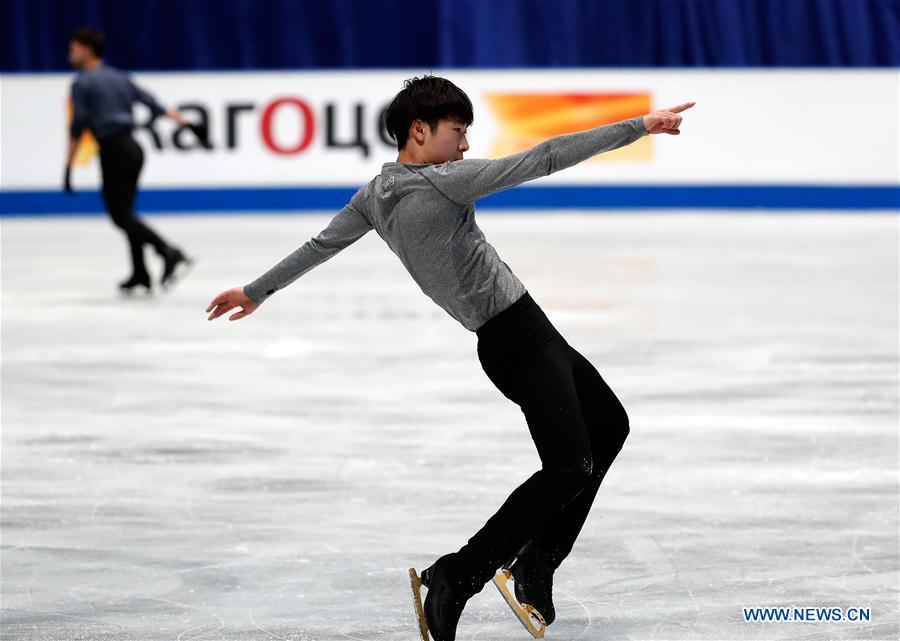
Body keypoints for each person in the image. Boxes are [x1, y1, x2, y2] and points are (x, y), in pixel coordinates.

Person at [206, 75, 693, 640]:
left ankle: (535, 566)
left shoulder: (375, 195)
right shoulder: (445, 183)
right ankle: (457, 576)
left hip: (523, 332)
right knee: (568, 467)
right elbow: (545, 156)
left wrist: (256, 291)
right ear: (419, 130)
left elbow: (321, 245)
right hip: (517, 338)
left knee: (609, 424)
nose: (464, 145)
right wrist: (639, 126)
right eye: (458, 132)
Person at [65, 26, 200, 293]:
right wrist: (185, 123)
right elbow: (154, 104)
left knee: (120, 217)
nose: (70, 53)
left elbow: (78, 125)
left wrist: (67, 166)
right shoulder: (120, 77)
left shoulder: (82, 83)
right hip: (133, 149)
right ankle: (140, 272)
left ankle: (168, 251)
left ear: (86, 50)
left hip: (114, 150)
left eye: (73, 48)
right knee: (127, 213)